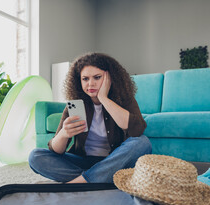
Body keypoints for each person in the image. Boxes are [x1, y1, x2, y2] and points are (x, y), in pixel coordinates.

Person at [29, 52, 152, 183]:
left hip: (115, 160)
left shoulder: (124, 98)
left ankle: (83, 181)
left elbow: (137, 130)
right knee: (35, 156)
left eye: (97, 77)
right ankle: (99, 179)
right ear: (79, 80)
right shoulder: (75, 104)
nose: (90, 84)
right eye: (85, 79)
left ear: (110, 78)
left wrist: (103, 98)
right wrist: (64, 134)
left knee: (142, 143)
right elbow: (56, 150)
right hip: (85, 161)